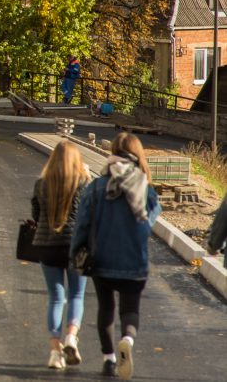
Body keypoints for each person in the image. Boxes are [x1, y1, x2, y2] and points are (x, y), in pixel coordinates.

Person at [71, 132, 160, 380]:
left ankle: (109, 359)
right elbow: (151, 218)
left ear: (112, 154)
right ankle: (127, 341)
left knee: (106, 308)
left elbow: (82, 224)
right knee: (130, 309)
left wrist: (75, 252)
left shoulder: (97, 187)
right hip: (135, 260)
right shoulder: (144, 186)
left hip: (102, 260)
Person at [31, 142, 90, 370]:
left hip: (47, 246)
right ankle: (71, 338)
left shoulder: (41, 184)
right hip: (76, 247)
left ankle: (55, 352)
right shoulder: (82, 183)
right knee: (76, 295)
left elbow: (36, 216)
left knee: (56, 298)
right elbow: (87, 215)